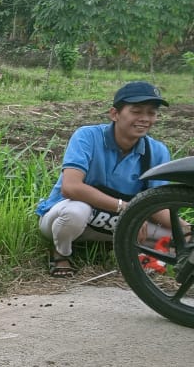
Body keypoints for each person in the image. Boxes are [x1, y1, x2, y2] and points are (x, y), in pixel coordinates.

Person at [35, 81, 172, 278]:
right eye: (136, 111)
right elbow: (70, 187)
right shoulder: (87, 136)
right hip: (65, 217)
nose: (145, 119)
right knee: (76, 211)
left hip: (112, 221)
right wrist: (127, 208)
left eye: (151, 113)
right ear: (114, 114)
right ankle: (60, 253)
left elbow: (158, 205)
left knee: (172, 236)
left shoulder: (157, 151)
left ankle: (141, 267)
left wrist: (182, 227)